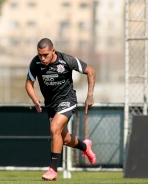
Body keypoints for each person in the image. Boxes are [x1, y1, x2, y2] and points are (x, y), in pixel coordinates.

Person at [25, 38, 96, 181]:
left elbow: (90, 71)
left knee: (54, 128)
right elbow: (28, 84)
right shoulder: (35, 63)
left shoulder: (66, 60)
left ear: (53, 51)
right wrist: (34, 99)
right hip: (51, 105)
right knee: (63, 139)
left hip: (67, 100)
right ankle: (85, 146)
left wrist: (90, 95)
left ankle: (52, 170)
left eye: (46, 55)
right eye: (40, 55)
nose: (43, 58)